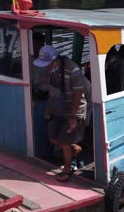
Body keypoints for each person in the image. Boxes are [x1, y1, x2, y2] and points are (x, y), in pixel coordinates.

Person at [33, 45, 90, 182]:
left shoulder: (73, 70)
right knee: (52, 136)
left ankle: (67, 169)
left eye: (47, 64)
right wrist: (48, 108)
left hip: (75, 107)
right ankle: (75, 149)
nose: (45, 67)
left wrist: (73, 117)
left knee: (65, 140)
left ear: (55, 60)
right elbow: (53, 91)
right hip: (60, 106)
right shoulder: (51, 71)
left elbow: (78, 95)